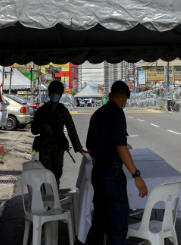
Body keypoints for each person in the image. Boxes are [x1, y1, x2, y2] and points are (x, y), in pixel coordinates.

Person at [85, 81, 147, 245]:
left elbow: (89, 148)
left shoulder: (97, 114)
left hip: (98, 173)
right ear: (124, 98)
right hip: (112, 175)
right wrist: (136, 174)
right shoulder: (117, 114)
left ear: (110, 94)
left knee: (99, 222)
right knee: (118, 225)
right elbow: (121, 147)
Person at [30, 81, 84, 183]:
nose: (55, 94)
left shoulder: (63, 110)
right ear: (49, 93)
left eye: (57, 92)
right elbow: (33, 130)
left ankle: (55, 195)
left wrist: (78, 147)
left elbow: (71, 129)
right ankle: (44, 196)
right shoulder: (42, 110)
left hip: (58, 148)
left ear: (60, 94)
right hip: (44, 147)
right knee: (45, 174)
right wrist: (43, 124)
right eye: (53, 92)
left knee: (56, 174)